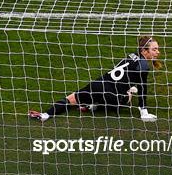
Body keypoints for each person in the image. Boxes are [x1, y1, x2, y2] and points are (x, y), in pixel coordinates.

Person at [29, 36, 161, 122]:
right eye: (154, 49)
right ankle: (96, 105)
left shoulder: (131, 55)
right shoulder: (143, 66)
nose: (157, 52)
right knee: (128, 97)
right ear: (144, 51)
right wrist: (144, 112)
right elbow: (143, 89)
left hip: (97, 85)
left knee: (71, 99)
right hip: (111, 96)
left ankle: (45, 115)